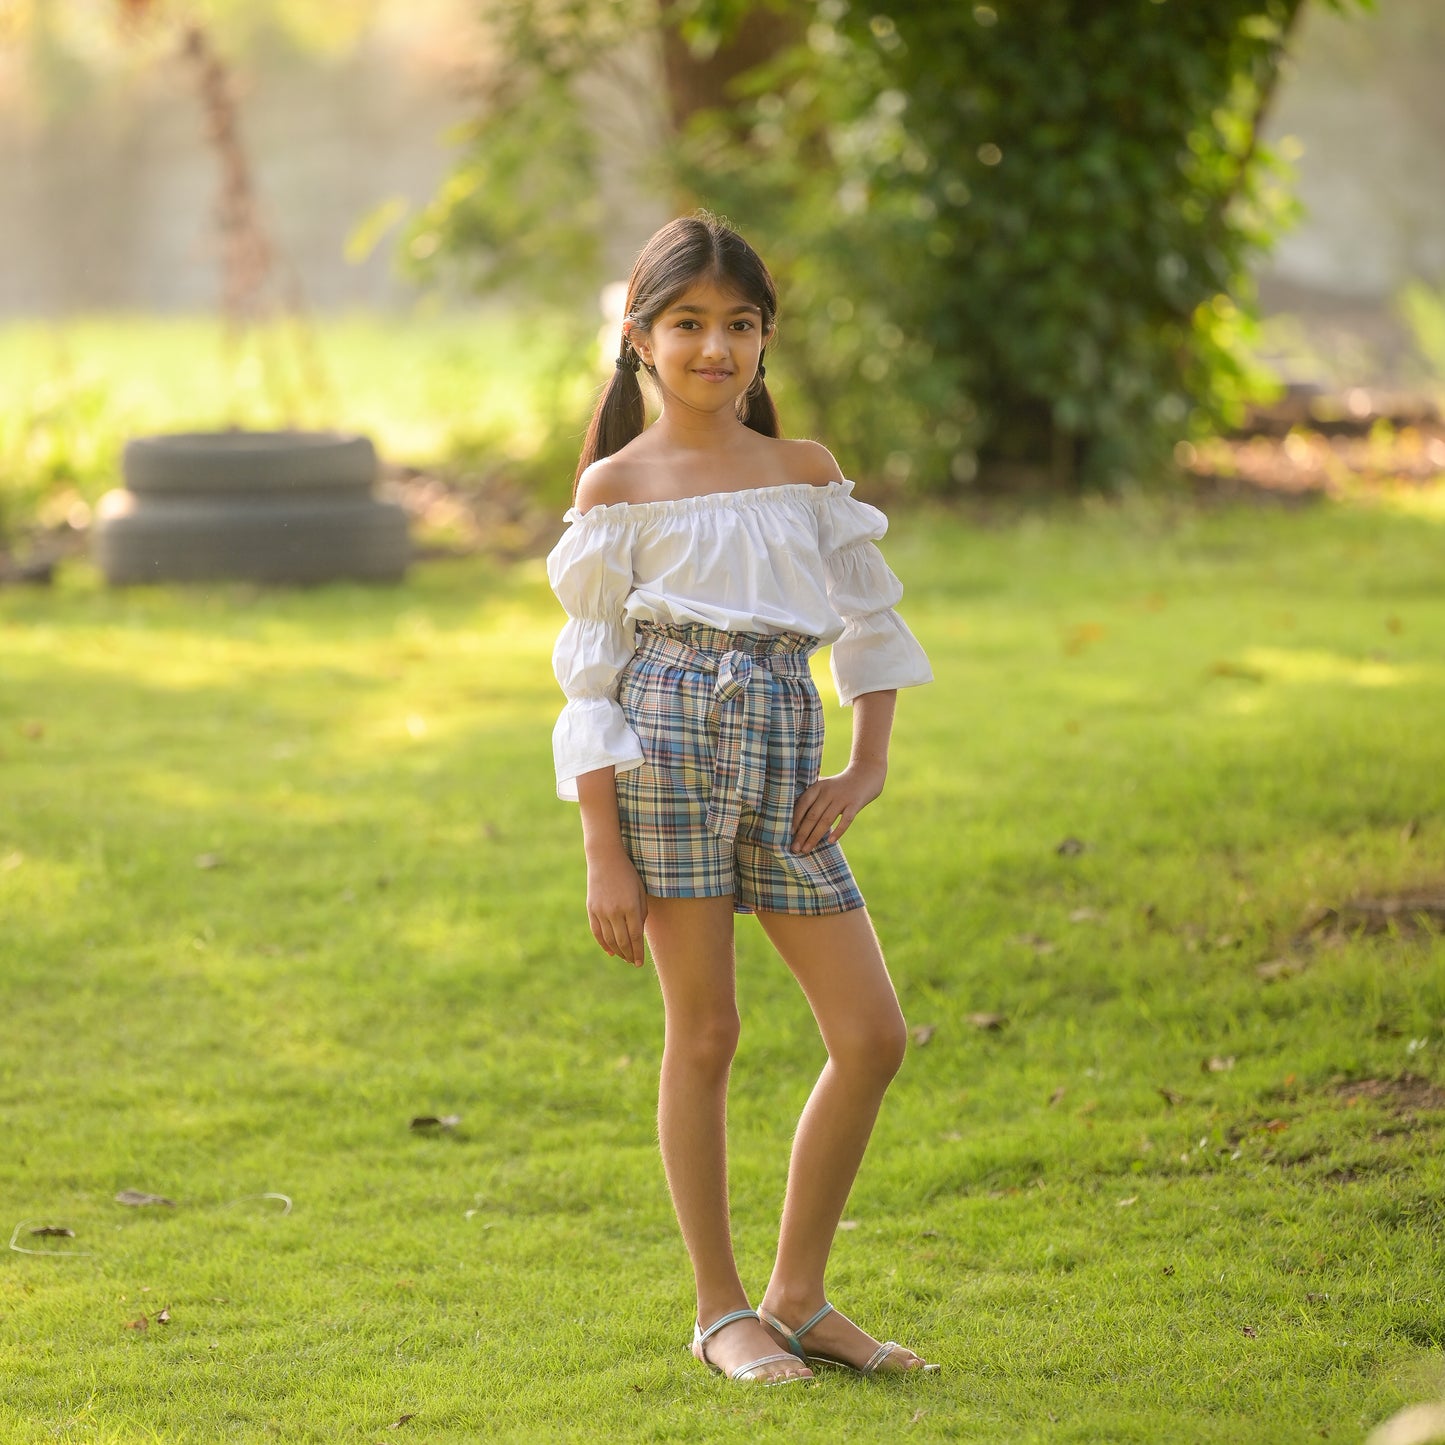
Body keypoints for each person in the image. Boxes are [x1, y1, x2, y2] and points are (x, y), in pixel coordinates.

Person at [546, 214, 937, 1386]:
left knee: (869, 1035)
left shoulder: (804, 470)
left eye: (739, 324)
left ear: (765, 338)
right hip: (662, 764)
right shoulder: (617, 487)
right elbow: (589, 674)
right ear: (638, 340)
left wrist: (865, 763)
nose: (714, 347)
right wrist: (600, 848)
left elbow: (868, 621)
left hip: (782, 761)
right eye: (687, 324)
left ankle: (800, 1298)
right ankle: (723, 1311)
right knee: (704, 1032)